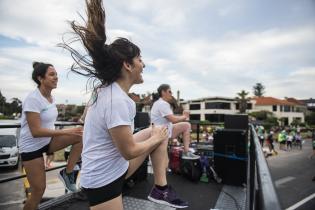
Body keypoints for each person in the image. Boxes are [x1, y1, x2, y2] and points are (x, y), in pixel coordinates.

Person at [60, 0, 188, 209]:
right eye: (140, 59)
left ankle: (160, 188)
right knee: (158, 134)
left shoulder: (107, 91)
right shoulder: (117, 100)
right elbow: (128, 151)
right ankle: (160, 187)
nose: (143, 64)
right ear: (127, 65)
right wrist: (156, 138)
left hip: (110, 167)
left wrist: (157, 135)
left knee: (159, 130)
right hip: (104, 179)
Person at [19, 62, 83, 210]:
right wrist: (65, 131)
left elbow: (49, 125)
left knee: (81, 135)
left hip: (47, 142)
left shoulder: (51, 98)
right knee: (38, 191)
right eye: (52, 75)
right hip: (31, 147)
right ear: (41, 79)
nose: (56, 78)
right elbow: (36, 132)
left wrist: (51, 150)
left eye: (56, 74)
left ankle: (67, 174)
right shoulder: (33, 99)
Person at [151, 84, 200, 160]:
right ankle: (186, 152)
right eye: (169, 91)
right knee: (163, 163)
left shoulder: (159, 103)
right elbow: (173, 119)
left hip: (164, 131)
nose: (171, 94)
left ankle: (186, 152)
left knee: (186, 125)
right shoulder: (162, 104)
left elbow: (171, 119)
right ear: (163, 92)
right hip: (160, 133)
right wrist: (185, 116)